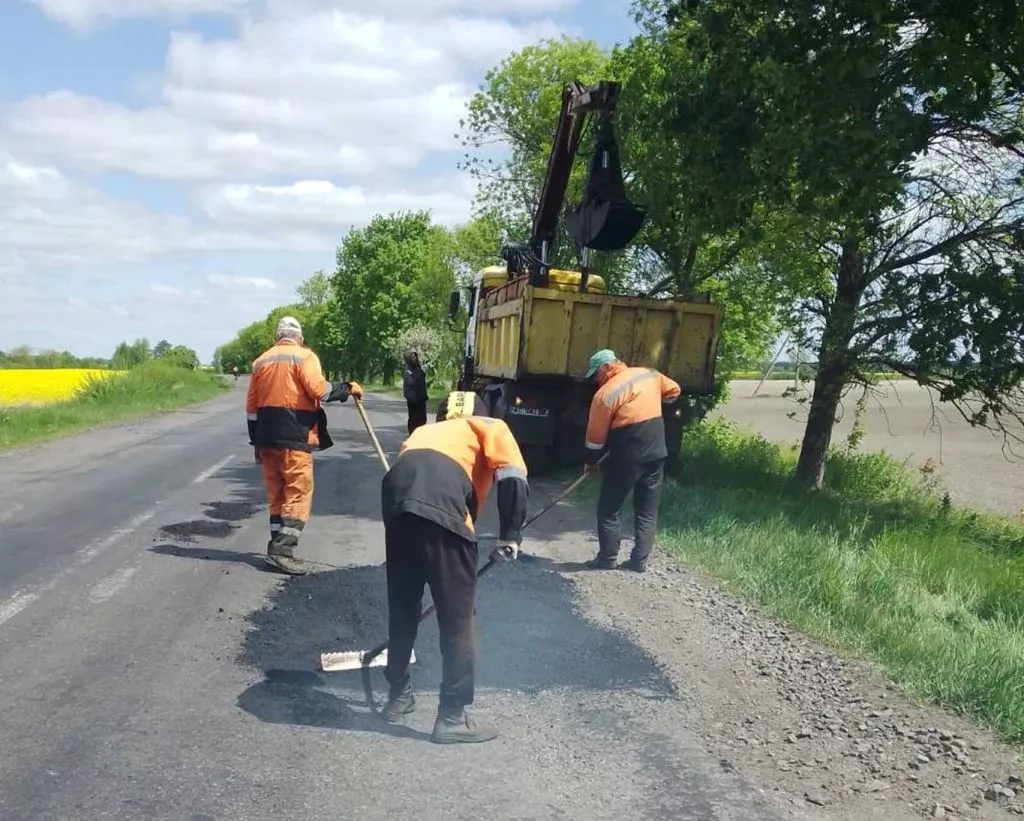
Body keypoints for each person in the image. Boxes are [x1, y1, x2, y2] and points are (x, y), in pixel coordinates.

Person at [379, 390, 529, 744]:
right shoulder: (490, 426)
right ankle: (451, 716)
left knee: (403, 608)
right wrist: (510, 536)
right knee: (458, 618)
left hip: (398, 503)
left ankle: (397, 694)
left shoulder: (424, 432)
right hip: (442, 504)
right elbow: (512, 476)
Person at [246, 315, 363, 576]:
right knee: (298, 492)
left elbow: (251, 407)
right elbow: (320, 390)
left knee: (277, 494)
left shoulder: (261, 361)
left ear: (277, 337)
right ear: (299, 337)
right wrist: (347, 388)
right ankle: (281, 551)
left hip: (266, 437)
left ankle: (277, 545)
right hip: (294, 435)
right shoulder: (305, 356)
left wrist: (256, 441)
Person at [581, 349, 680, 573]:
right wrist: (657, 402)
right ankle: (639, 561)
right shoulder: (650, 375)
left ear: (607, 367)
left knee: (609, 508)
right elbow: (674, 391)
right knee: (647, 511)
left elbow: (595, 438)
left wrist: (591, 462)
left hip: (626, 456)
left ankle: (607, 558)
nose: (596, 379)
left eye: (596, 374)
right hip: (656, 451)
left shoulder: (605, 395)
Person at [402, 350, 428, 434]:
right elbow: (410, 382)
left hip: (421, 397)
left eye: (415, 356)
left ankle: (420, 433)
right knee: (413, 419)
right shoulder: (408, 370)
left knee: (422, 418)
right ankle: (412, 434)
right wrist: (418, 377)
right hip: (413, 399)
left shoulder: (418, 368)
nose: (415, 358)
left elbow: (421, 381)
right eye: (412, 357)